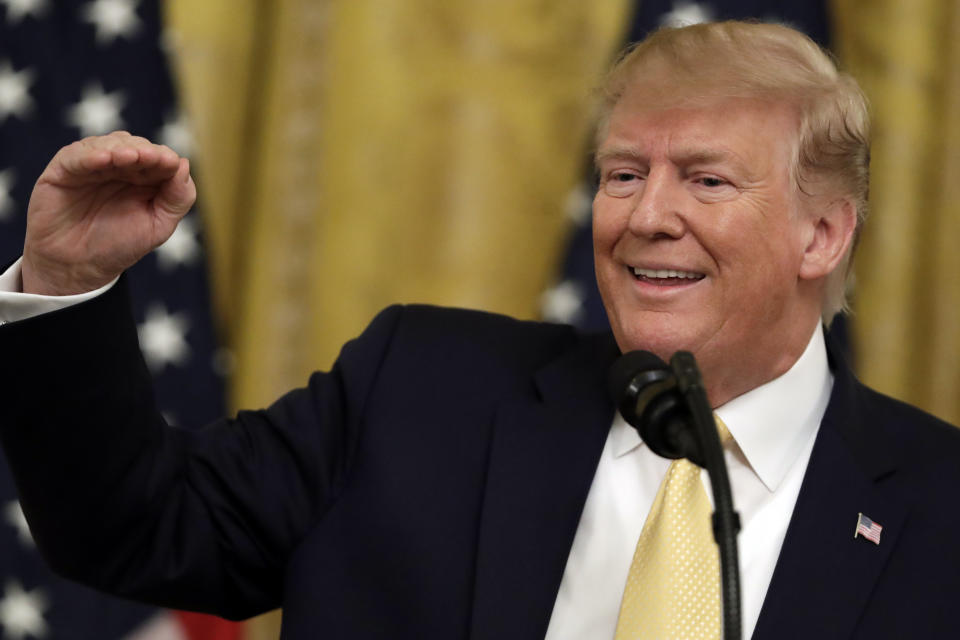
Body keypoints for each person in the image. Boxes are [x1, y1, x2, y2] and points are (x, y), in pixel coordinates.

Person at [1, 20, 959, 640]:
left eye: (706, 179)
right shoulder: (420, 392)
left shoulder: (941, 511)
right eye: (625, 174)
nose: (644, 216)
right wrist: (66, 281)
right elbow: (135, 528)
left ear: (823, 234)